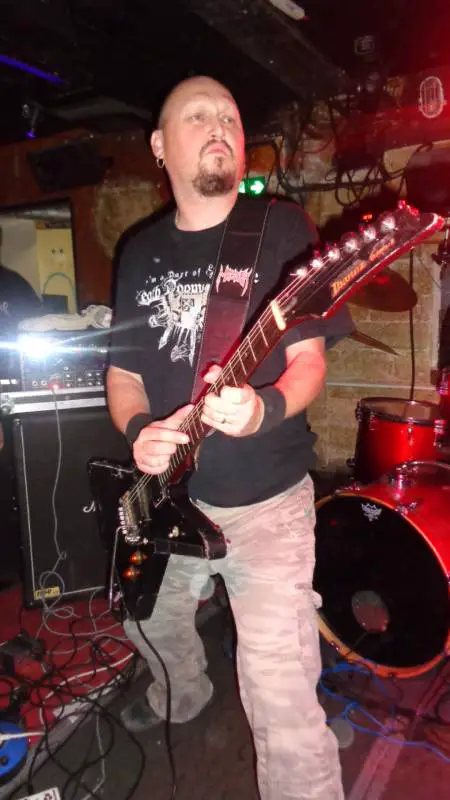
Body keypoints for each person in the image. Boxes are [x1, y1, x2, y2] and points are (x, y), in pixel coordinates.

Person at [107, 75, 353, 800]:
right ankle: (184, 691)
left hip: (267, 506)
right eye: (198, 116)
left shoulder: (281, 228)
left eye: (230, 117)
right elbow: (123, 375)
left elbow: (309, 361)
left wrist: (265, 408)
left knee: (281, 702)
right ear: (160, 146)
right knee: (144, 620)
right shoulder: (139, 252)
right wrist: (139, 431)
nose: (219, 126)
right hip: (170, 504)